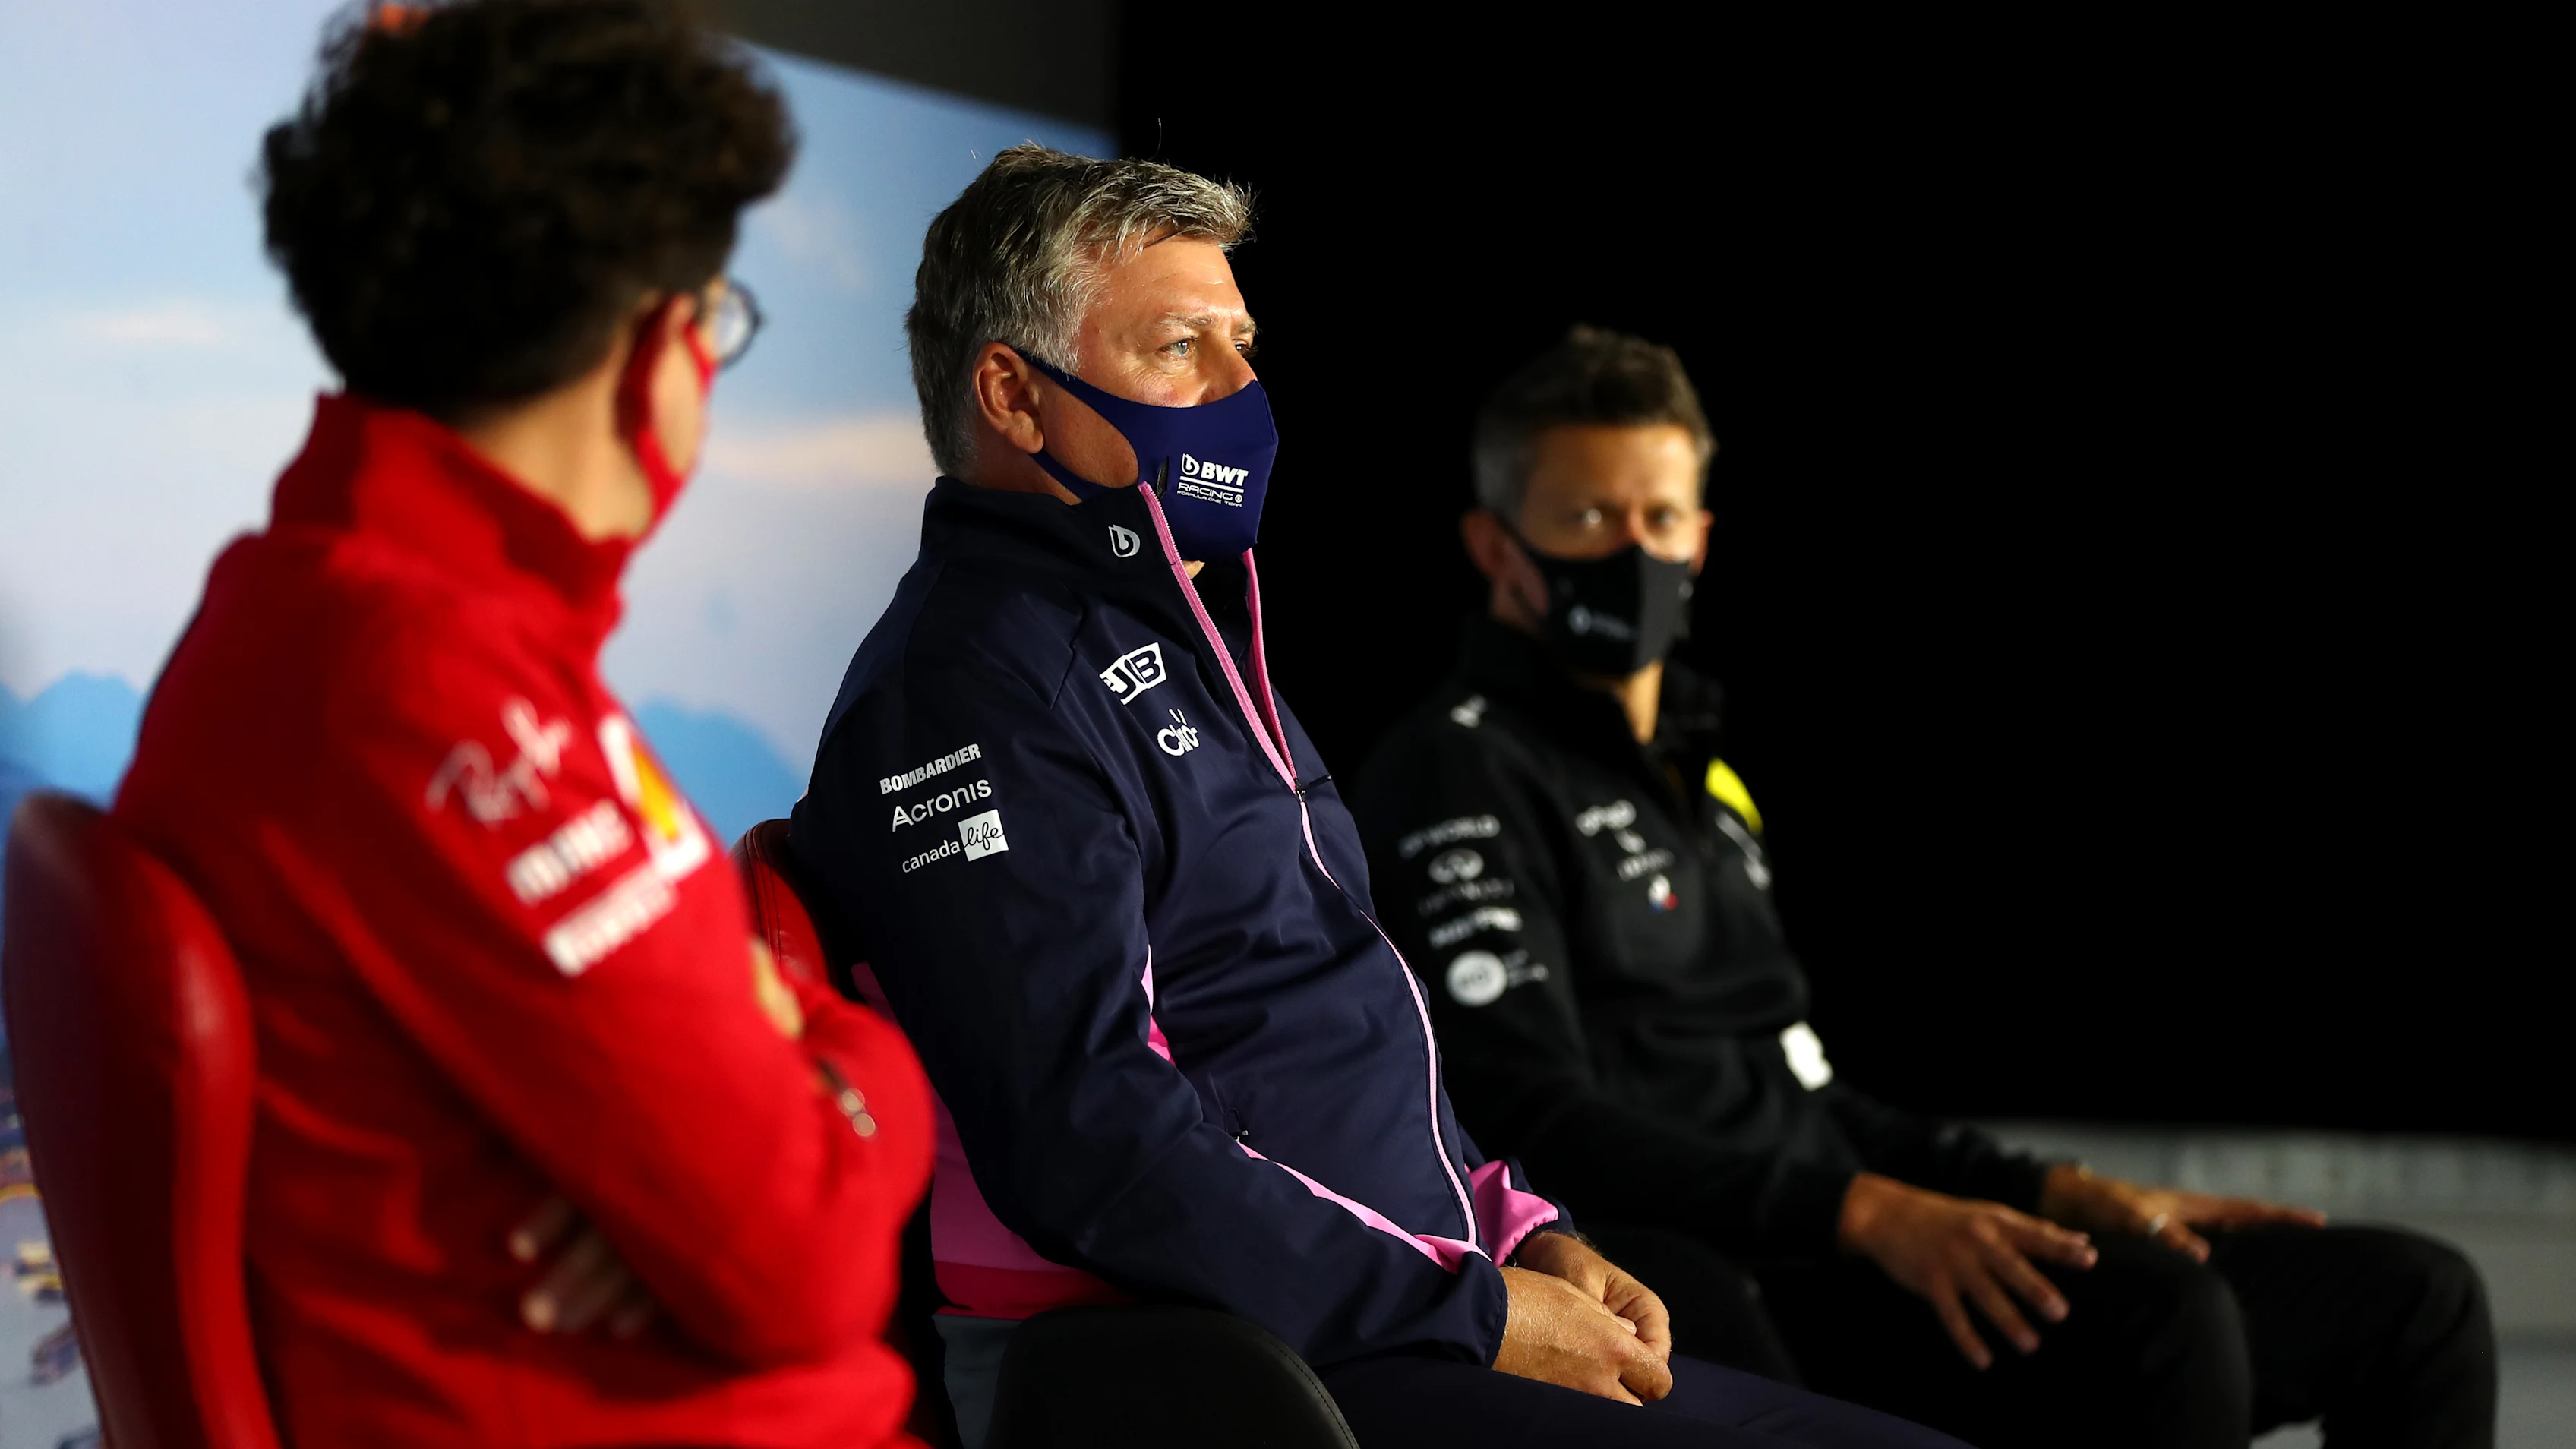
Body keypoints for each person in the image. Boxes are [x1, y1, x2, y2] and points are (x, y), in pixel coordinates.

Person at [788, 144, 1966, 1449]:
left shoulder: (1187, 640)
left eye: (1244, 343)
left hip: (1382, 1319)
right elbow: (1094, 1143)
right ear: (1011, 393)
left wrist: (1523, 1230)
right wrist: (1480, 1308)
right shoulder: (969, 690)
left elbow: (1328, 1022)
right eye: (1182, 345)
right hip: (1214, 1364)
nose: (1244, 390)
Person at [1349, 325, 2499, 1449]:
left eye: (1657, 518)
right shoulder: (1455, 766)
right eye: (1589, 518)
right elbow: (1529, 1114)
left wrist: (2053, 1186)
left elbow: (1806, 1091)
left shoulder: (1707, 779)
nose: (1632, 552)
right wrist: (1864, 1213)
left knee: (2418, 1296)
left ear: (1701, 539)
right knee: (2160, 1318)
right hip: (1729, 1267)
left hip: (1842, 1228)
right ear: (1497, 546)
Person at [109, 4, 931, 1444]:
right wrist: (853, 1063)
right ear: (649, 346)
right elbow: (801, 1257)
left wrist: (777, 1065)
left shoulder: (314, 615)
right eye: (718, 321)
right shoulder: (444, 692)